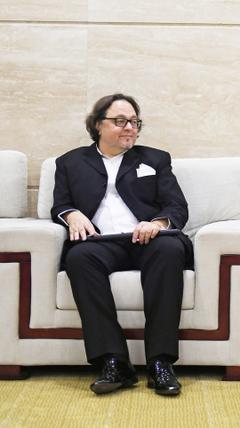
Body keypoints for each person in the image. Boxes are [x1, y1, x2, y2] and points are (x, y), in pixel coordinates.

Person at [51, 93, 193, 396]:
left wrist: (157, 224)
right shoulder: (70, 162)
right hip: (101, 242)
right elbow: (60, 204)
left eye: (134, 122)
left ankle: (160, 363)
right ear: (97, 125)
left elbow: (177, 206)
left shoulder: (155, 159)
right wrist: (71, 214)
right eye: (120, 121)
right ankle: (114, 362)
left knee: (170, 249)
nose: (129, 127)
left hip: (148, 240)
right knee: (79, 257)